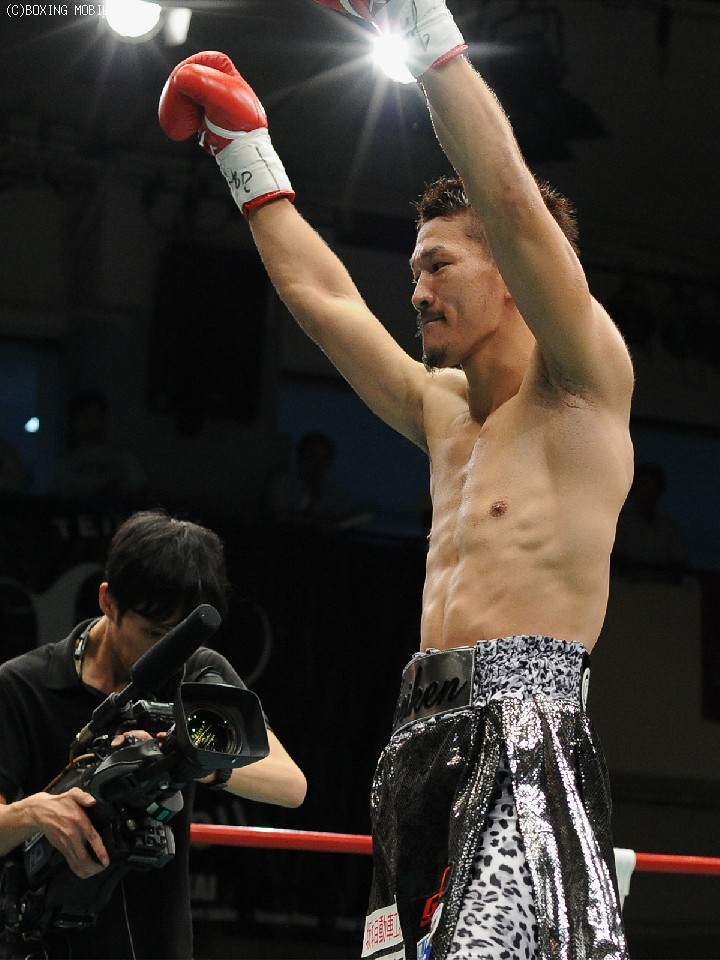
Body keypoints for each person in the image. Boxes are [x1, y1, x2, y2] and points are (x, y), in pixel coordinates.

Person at [158, 2, 634, 956]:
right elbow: (324, 301)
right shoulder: (442, 412)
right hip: (420, 734)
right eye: (415, 270)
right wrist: (244, 153)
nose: (416, 290)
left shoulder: (582, 381)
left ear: (513, 274)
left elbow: (510, 199)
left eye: (438, 266)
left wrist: (419, 30)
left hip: (527, 733)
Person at [0, 509, 306, 959]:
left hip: (160, 945)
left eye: (180, 635)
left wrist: (188, 755)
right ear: (107, 601)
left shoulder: (197, 670)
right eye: (153, 632)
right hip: (42, 944)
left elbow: (291, 784)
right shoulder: (22, 684)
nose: (167, 649)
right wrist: (35, 812)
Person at [52, 390, 148, 502]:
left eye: (97, 417)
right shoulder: (64, 466)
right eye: (86, 417)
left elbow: (140, 493)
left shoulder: (125, 459)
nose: (92, 424)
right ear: (73, 422)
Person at [613, 461, 688, 581]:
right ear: (633, 490)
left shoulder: (667, 526)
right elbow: (614, 557)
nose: (648, 494)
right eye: (644, 487)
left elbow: (680, 561)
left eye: (654, 488)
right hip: (624, 587)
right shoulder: (620, 522)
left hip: (660, 588)